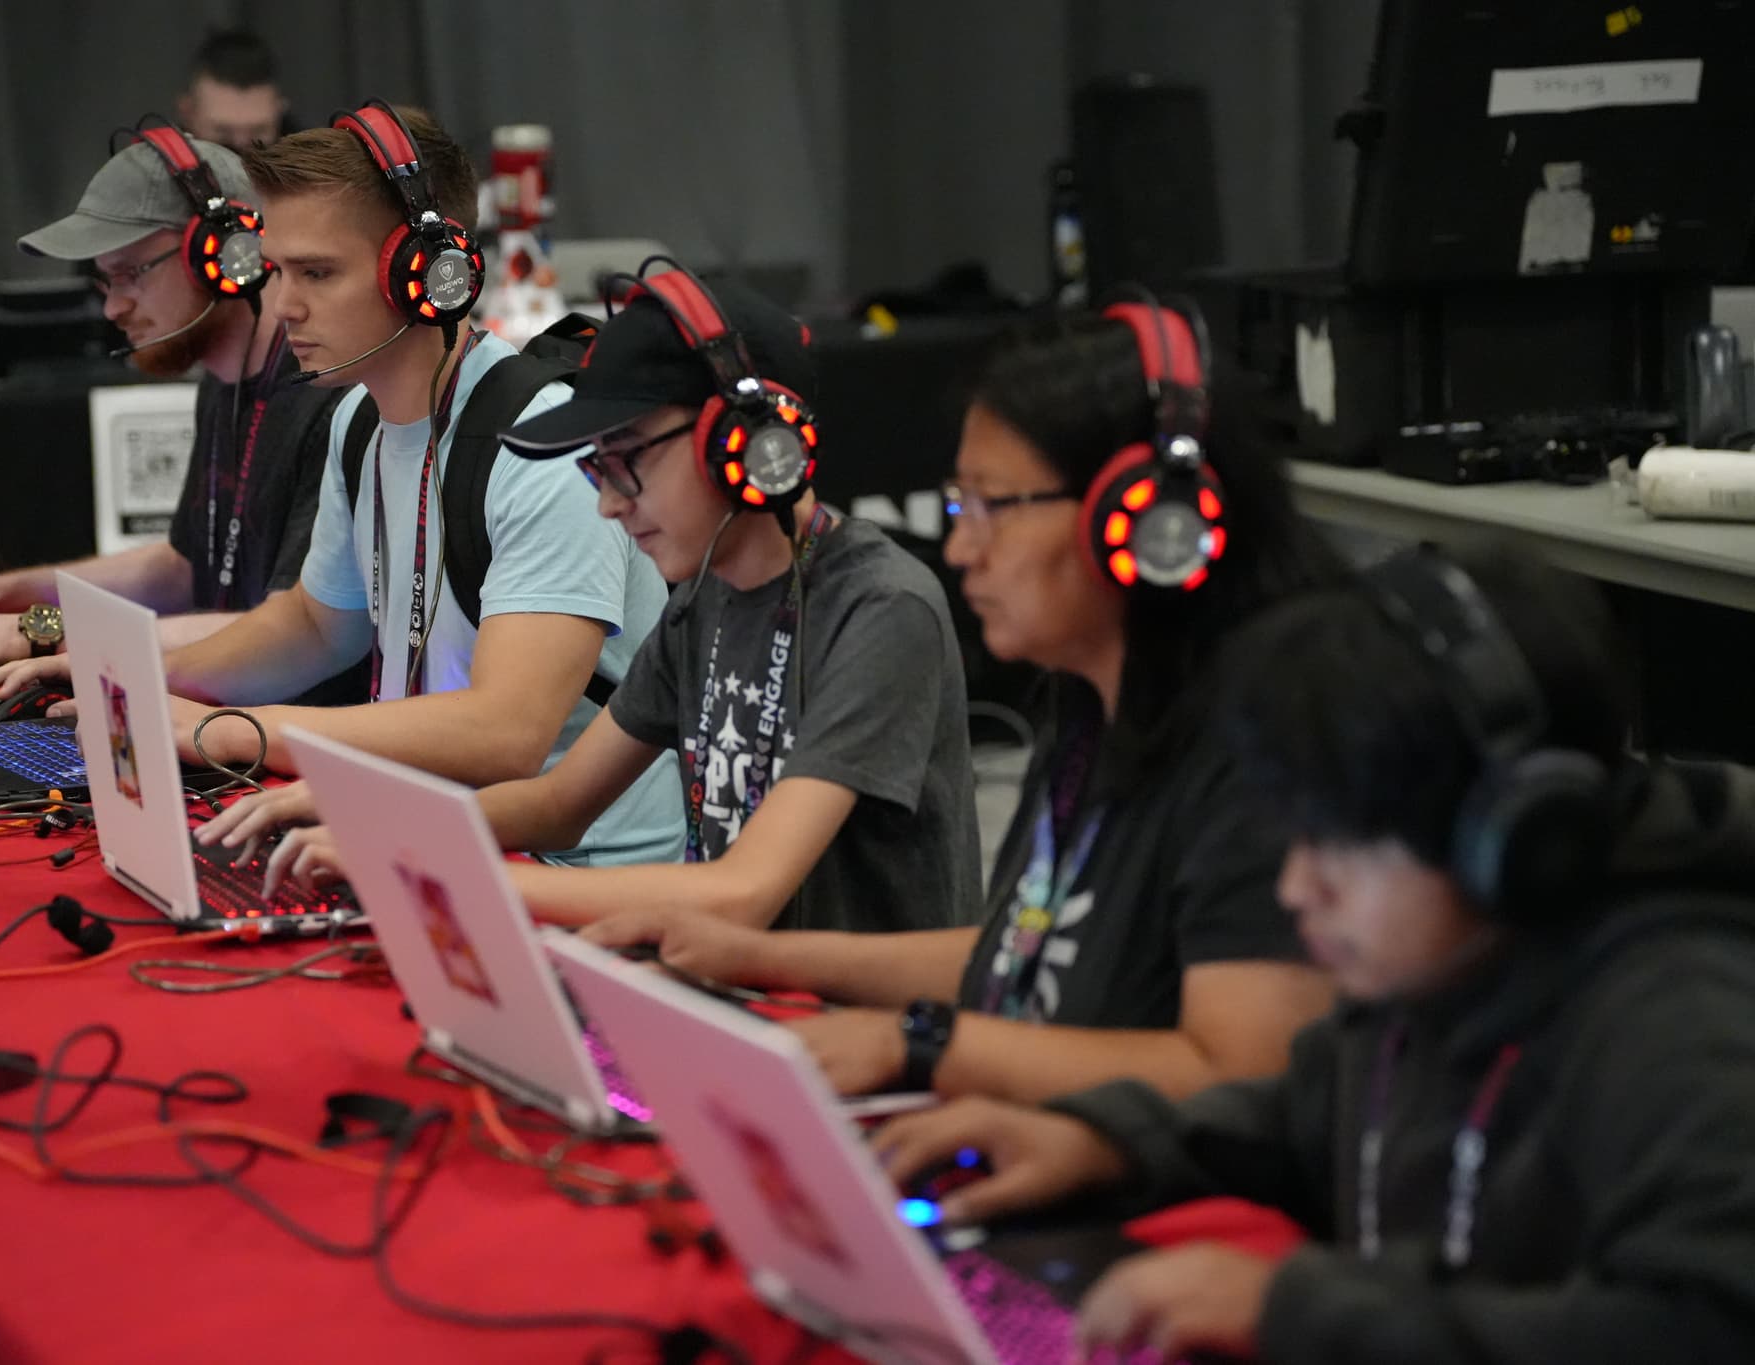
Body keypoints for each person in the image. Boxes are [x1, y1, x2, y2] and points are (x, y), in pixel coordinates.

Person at [874, 544, 1755, 1363]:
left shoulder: (1675, 1021)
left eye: (1339, 843)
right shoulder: (1438, 970)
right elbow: (1304, 1112)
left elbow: (1704, 1324)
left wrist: (1294, 1309)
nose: (1297, 888)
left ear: (1511, 832)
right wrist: (1102, 1141)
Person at [576, 302, 1337, 1103]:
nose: (963, 549)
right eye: (957, 505)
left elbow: (1245, 1077)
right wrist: (753, 956)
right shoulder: (1090, 711)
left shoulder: (1267, 747)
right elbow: (1017, 952)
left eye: (990, 506)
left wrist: (920, 1044)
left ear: (1146, 519)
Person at [0, 103, 681, 868]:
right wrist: (132, 674)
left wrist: (229, 729)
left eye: (317, 272)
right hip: (426, 836)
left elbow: (506, 732)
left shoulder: (541, 443)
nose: (282, 306)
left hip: (574, 884)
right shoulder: (357, 424)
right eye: (276, 271)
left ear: (429, 275)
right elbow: (314, 625)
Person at [241, 263, 983, 933]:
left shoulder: (878, 609)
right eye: (598, 471)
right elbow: (560, 805)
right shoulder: (702, 601)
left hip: (863, 1036)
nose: (609, 506)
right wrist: (376, 819)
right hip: (736, 995)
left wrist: (431, 868)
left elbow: (742, 892)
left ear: (748, 446)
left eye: (628, 463)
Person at [0, 124, 353, 697]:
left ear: (225, 252)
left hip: (283, 736)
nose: (113, 306)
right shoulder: (224, 380)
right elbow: (180, 567)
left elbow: (285, 631)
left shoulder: (333, 395)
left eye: (131, 273)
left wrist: (33, 633)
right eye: (104, 279)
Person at [177, 28, 292, 154]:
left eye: (258, 131)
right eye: (223, 132)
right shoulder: (157, 169)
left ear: (279, 111)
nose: (240, 144)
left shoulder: (310, 167)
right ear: (187, 112)